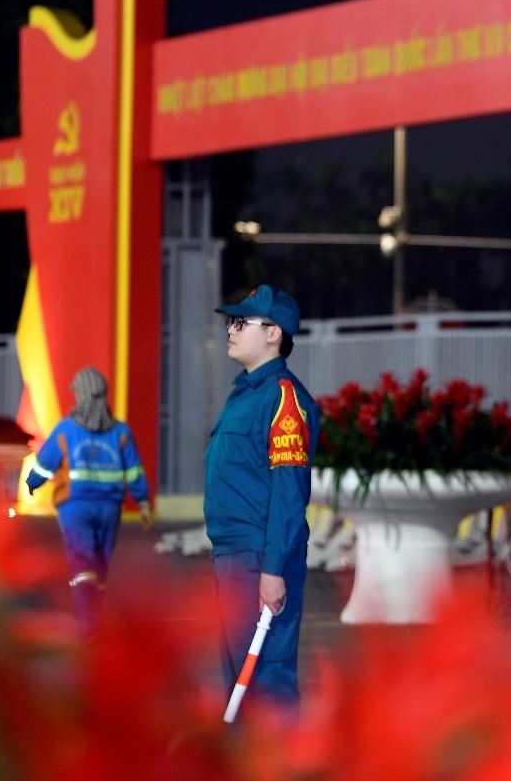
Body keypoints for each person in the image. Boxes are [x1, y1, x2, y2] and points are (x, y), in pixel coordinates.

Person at [204, 284, 319, 712]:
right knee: (238, 679)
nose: (230, 330)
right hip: (232, 553)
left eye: (241, 322)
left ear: (274, 333)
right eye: (231, 322)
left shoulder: (283, 397)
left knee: (267, 679)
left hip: (259, 558)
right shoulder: (244, 394)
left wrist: (272, 569)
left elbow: (289, 492)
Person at [26, 366, 153, 634]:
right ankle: (90, 613)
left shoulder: (66, 429)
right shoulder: (120, 432)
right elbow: (134, 470)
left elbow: (45, 463)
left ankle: (89, 619)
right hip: (110, 508)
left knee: (82, 560)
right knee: (100, 561)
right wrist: (142, 502)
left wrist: (32, 483)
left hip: (74, 507)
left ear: (79, 395)